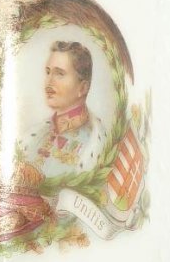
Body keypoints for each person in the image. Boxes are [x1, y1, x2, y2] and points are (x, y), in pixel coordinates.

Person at [22, 41, 107, 177]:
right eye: (48, 72)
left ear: (83, 88)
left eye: (59, 74)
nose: (49, 82)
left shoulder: (96, 143)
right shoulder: (33, 135)